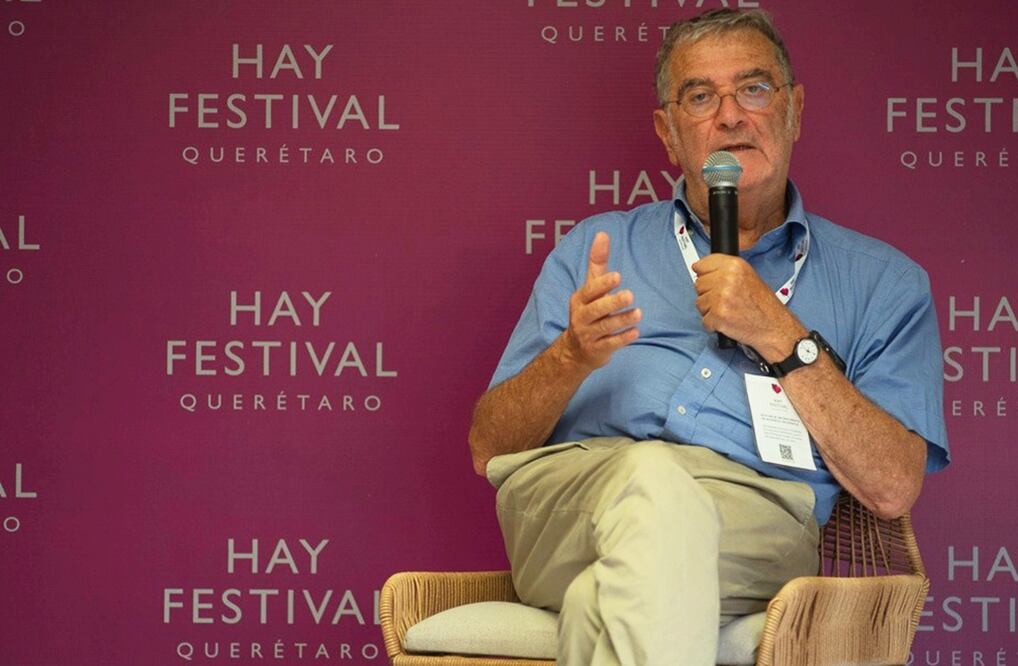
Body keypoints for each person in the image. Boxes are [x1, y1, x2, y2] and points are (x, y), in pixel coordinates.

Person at [468, 8, 949, 665]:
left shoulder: (884, 283)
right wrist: (570, 356)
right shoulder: (594, 250)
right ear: (668, 133)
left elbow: (891, 487)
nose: (729, 117)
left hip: (753, 520)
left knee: (601, 598)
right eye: (700, 97)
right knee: (651, 483)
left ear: (794, 111)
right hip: (574, 505)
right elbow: (489, 449)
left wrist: (780, 334)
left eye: (754, 88)